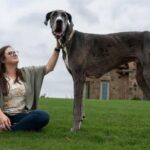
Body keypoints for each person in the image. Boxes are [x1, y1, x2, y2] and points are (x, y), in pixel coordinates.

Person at [0, 40, 61, 132]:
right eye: (10, 53)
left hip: (20, 115)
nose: (14, 54)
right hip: (2, 115)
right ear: (3, 59)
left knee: (42, 116)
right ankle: (16, 126)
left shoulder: (27, 72)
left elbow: (49, 67)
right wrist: (1, 116)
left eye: (15, 52)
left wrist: (57, 48)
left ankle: (11, 129)